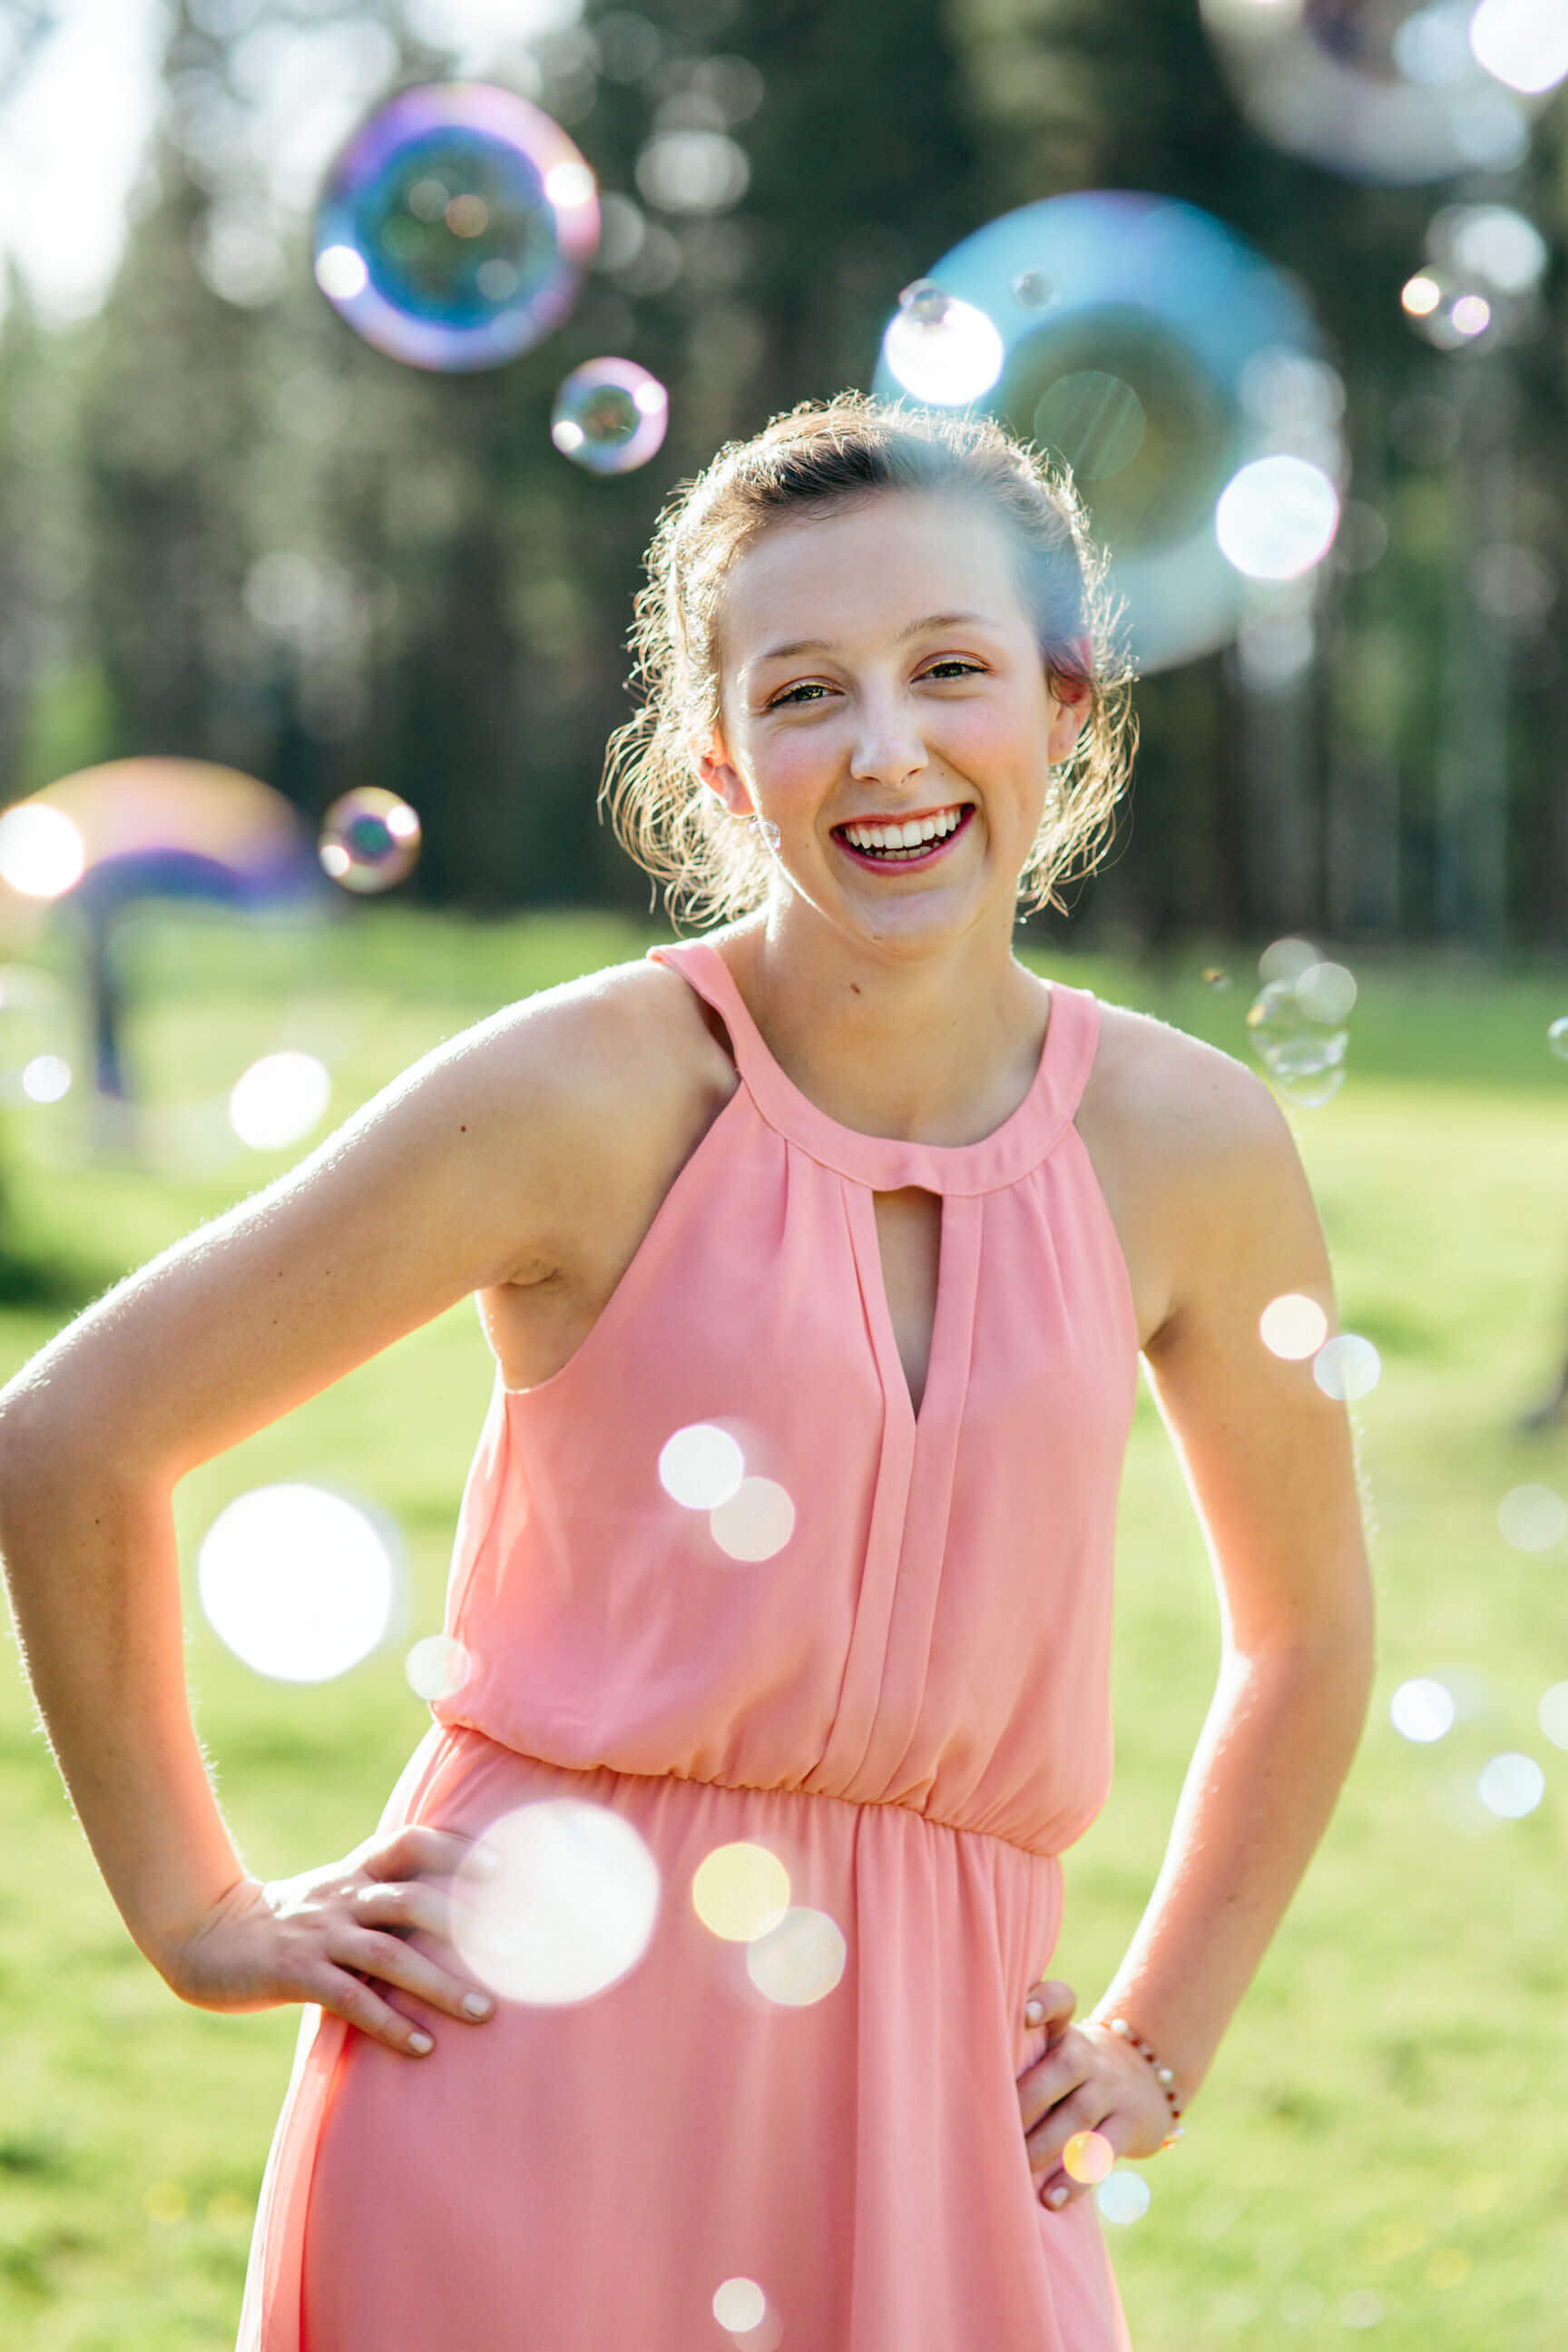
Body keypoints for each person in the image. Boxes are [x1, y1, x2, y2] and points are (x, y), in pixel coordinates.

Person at [0, 394, 1376, 2351]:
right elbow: (72, 1435)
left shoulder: (1195, 1144)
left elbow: (1310, 1635)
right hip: (525, 2081)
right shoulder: (583, 1094)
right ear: (720, 762)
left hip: (945, 2123)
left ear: (1064, 705)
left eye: (951, 670)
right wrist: (201, 1915)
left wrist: (1159, 2034)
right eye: (806, 692)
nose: (886, 749)